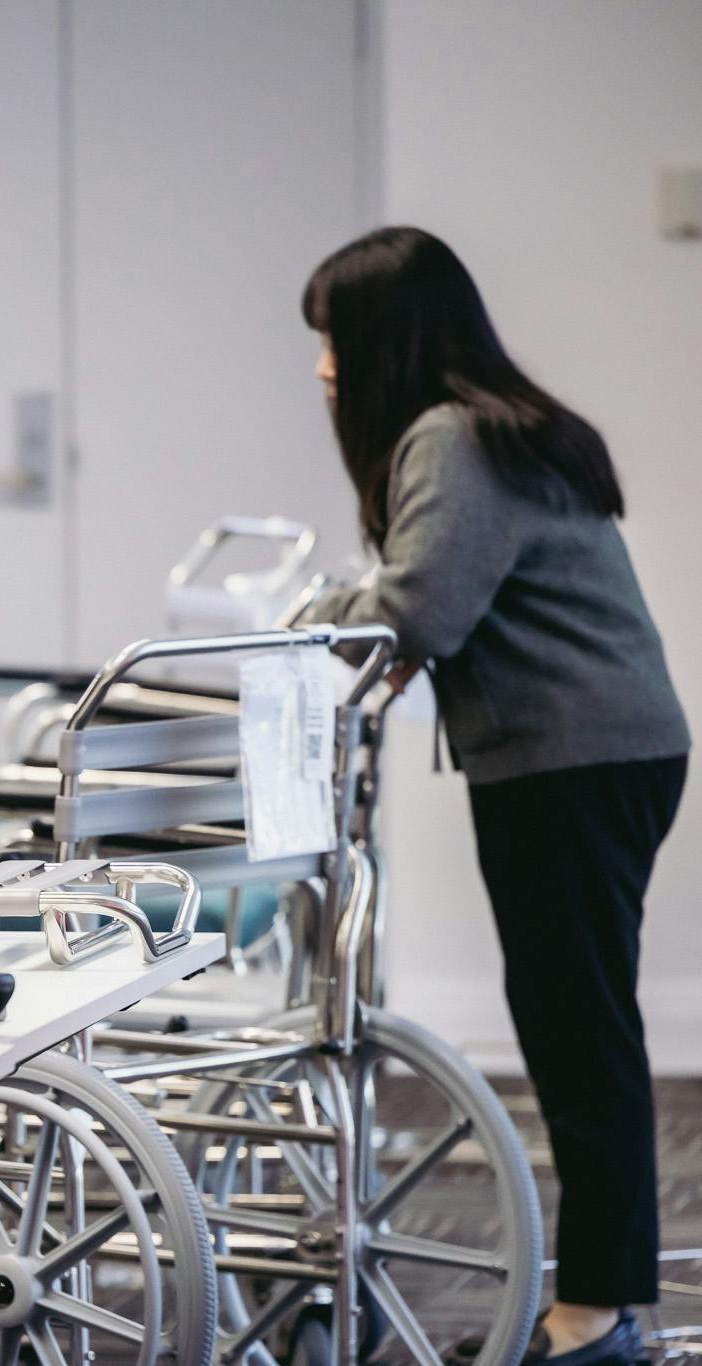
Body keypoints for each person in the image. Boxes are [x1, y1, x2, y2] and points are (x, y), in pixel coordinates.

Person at [303, 226, 688, 1366]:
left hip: (568, 759)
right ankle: (607, 1300)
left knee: (578, 1039)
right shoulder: (497, 427)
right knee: (585, 1029)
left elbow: (415, 609)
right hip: (598, 751)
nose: (322, 367)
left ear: (383, 337)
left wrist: (313, 605)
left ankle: (595, 1315)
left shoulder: (449, 438)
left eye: (330, 339)